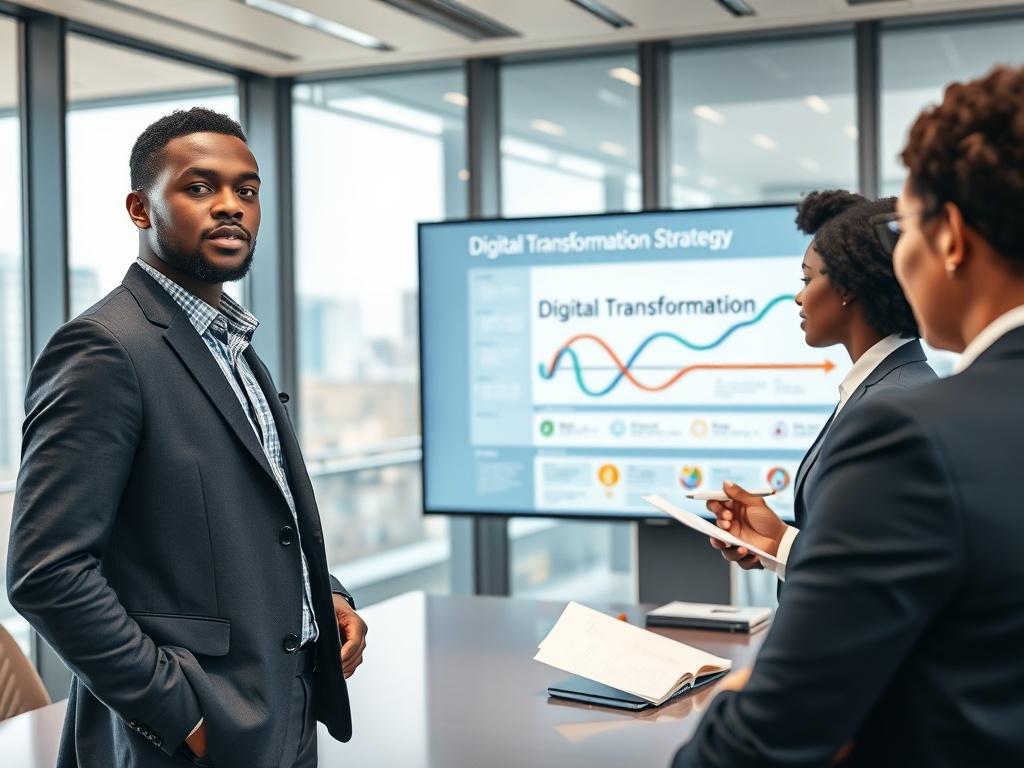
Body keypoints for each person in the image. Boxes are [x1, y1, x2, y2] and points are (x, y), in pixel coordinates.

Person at [673, 64, 1024, 767]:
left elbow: (767, 737)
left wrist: (742, 690)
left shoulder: (912, 433)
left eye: (910, 229)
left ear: (950, 237)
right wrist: (788, 545)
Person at [7, 108, 367, 768]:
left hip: (284, 713)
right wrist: (183, 715)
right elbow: (46, 573)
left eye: (247, 190)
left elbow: (250, 521)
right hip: (188, 738)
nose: (230, 206)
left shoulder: (232, 346)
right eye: (199, 188)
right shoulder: (106, 349)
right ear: (141, 209)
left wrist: (329, 594)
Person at [707, 191, 935, 580]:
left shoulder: (890, 405)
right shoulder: (883, 388)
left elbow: (874, 577)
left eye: (807, 279)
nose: (799, 296)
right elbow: (862, 553)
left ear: (847, 287)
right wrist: (777, 543)